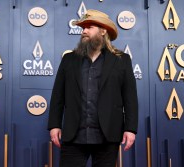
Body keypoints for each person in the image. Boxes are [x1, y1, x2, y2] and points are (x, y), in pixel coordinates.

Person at [48, 9, 138, 167]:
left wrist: (130, 129)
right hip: (74, 135)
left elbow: (130, 98)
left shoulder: (122, 60)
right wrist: (54, 124)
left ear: (103, 31)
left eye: (89, 27)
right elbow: (58, 96)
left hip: (107, 135)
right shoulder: (69, 59)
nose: (84, 31)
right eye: (83, 28)